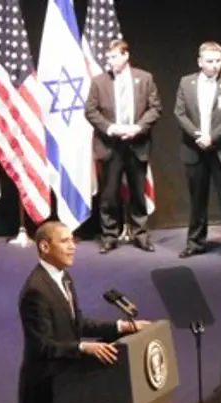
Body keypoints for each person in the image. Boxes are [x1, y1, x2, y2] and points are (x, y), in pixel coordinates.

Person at [17, 220, 149, 403]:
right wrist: (84, 347)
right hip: (44, 392)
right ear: (44, 247)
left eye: (72, 240)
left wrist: (122, 326)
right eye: (65, 241)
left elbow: (77, 323)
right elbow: (42, 346)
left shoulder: (64, 278)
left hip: (67, 387)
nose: (72, 246)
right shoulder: (36, 291)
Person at [85, 39, 162, 254]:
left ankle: (141, 235)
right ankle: (109, 235)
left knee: (138, 193)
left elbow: (155, 108)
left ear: (126, 55)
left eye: (114, 57)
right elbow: (90, 111)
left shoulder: (144, 78)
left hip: (136, 143)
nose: (109, 61)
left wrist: (139, 127)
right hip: (111, 145)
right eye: (107, 58)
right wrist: (110, 128)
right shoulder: (99, 82)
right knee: (109, 195)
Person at [174, 41, 221, 262]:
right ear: (200, 62)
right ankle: (195, 242)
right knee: (197, 201)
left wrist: (212, 137)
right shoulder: (186, 83)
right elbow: (180, 113)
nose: (215, 65)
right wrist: (198, 135)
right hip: (195, 150)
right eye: (210, 61)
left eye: (218, 61)